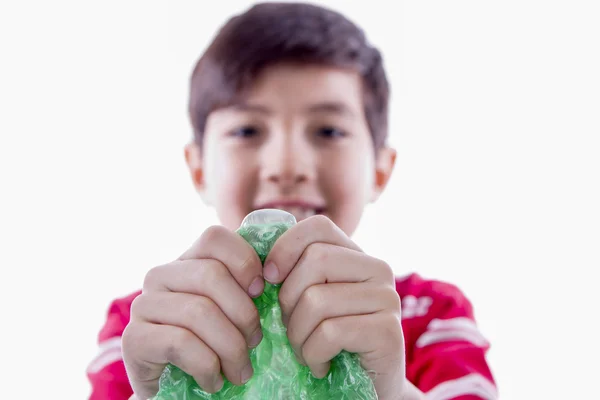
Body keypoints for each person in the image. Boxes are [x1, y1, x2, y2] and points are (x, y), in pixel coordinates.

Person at [86, 2, 497, 399]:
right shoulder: (149, 322)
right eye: (247, 130)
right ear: (198, 170)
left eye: (329, 131)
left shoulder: (429, 315)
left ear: (379, 170)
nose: (286, 165)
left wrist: (391, 393)